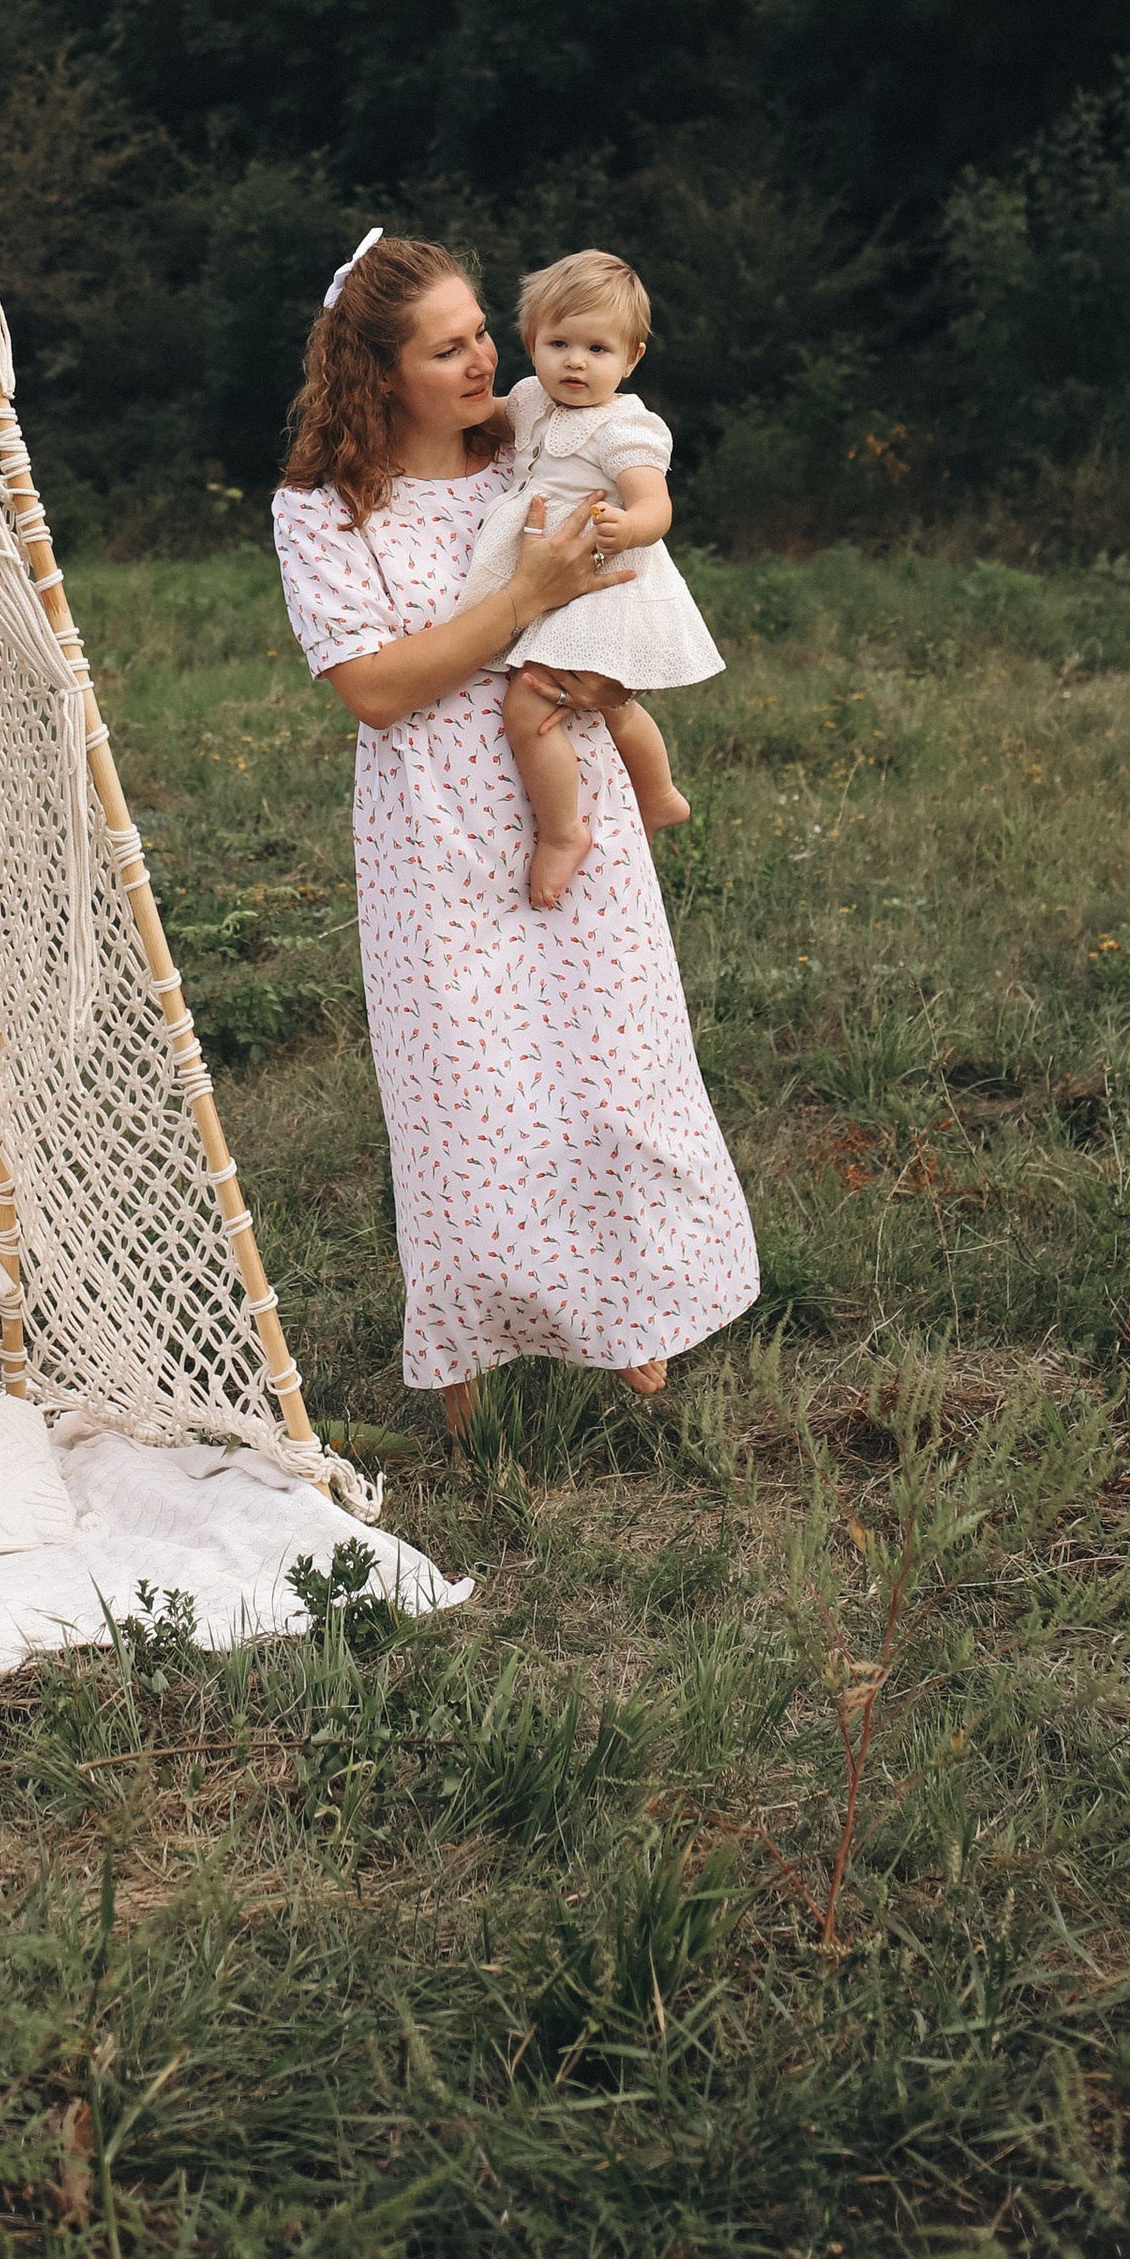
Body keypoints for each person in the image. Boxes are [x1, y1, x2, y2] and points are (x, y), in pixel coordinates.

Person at [270, 232, 758, 1431]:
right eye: (450, 348)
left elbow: (636, 556)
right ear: (378, 374)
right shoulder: (326, 510)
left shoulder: (533, 446)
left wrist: (612, 676)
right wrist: (525, 601)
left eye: (485, 329)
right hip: (433, 831)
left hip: (567, 795)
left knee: (611, 1072)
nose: (489, 357)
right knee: (467, 1097)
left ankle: (628, 1316)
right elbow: (377, 690)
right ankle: (473, 1354)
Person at [453, 248, 725, 910]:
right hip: (556, 576)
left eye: (598, 349)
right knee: (600, 698)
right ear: (531, 345)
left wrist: (628, 527)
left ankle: (563, 831)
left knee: (532, 703)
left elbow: (656, 505)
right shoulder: (527, 399)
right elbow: (475, 415)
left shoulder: (625, 426)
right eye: (559, 343)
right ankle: (658, 796)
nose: (576, 362)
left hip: (602, 578)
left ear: (630, 359)